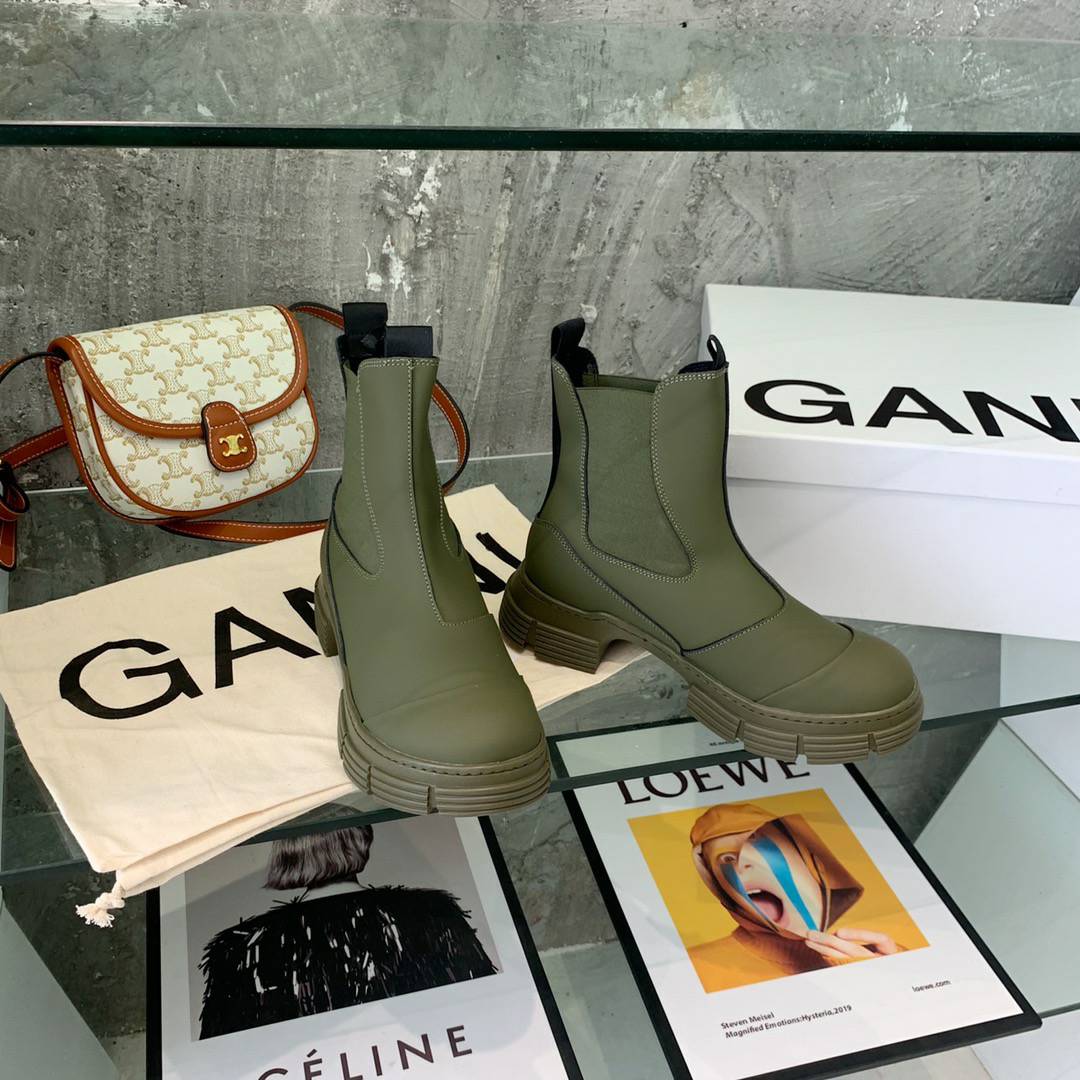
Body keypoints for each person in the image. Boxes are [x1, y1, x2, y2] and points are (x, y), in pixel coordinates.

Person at [198, 825, 497, 1038]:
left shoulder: (241, 950)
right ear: (362, 839)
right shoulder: (432, 914)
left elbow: (221, 1059)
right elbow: (488, 1011)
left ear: (286, 853)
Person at [688, 802, 904, 989]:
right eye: (726, 859)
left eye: (758, 843)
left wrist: (901, 974)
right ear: (720, 889)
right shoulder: (697, 970)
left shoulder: (885, 954)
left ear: (811, 859)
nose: (744, 862)